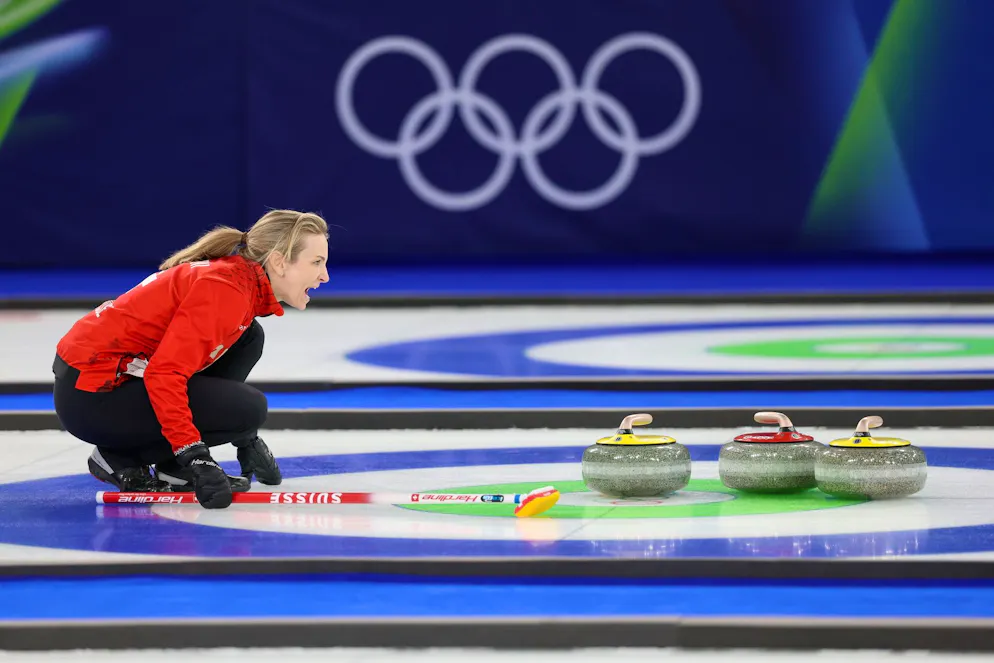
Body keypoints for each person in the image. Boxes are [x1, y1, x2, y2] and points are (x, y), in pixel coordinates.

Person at [52, 210, 330, 509]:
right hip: (93, 398)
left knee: (248, 339)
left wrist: (244, 440)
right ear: (278, 262)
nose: (324, 275)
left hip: (100, 384)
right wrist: (196, 456)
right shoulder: (226, 291)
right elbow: (164, 374)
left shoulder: (236, 283)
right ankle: (119, 457)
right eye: (316, 262)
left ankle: (171, 467)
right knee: (248, 409)